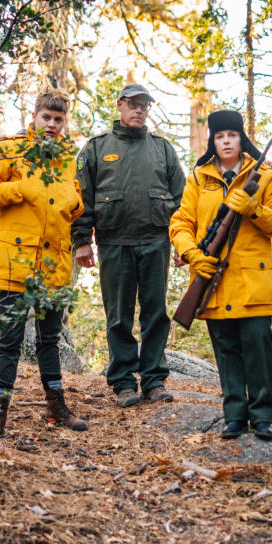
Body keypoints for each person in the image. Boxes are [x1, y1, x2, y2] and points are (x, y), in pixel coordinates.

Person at [0, 87, 88, 437]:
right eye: (46, 117)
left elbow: (72, 199)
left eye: (58, 119)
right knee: (9, 342)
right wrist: (19, 188)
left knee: (49, 341)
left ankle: (57, 405)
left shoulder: (67, 157)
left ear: (65, 123)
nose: (51, 124)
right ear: (33, 117)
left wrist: (76, 203)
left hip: (54, 267)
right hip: (14, 265)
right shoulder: (10, 148)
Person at [169, 110, 272, 441]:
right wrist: (192, 253)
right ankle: (234, 416)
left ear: (241, 139)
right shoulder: (198, 179)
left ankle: (262, 417)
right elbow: (180, 223)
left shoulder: (264, 176)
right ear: (213, 140)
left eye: (232, 135)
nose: (226, 141)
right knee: (226, 352)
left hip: (253, 281)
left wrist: (254, 209)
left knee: (258, 349)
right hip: (214, 281)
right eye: (220, 136)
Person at [71, 84, 186, 408]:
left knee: (155, 314)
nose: (139, 110)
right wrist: (82, 242)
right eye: (133, 104)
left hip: (155, 241)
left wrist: (181, 242)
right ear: (120, 105)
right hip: (113, 242)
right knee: (118, 317)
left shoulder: (162, 150)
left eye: (144, 105)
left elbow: (182, 200)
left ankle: (153, 381)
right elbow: (80, 199)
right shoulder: (96, 148)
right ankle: (123, 383)